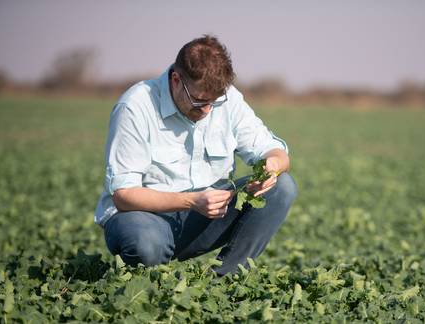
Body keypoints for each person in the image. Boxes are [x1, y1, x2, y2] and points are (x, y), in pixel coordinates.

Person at [94, 35, 298, 275]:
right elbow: (124, 195)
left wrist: (271, 166)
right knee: (144, 244)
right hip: (146, 218)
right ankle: (148, 275)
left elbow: (275, 152)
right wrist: (192, 200)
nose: (207, 110)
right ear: (176, 79)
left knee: (282, 186)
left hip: (205, 216)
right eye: (200, 101)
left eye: (215, 101)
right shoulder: (136, 106)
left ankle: (225, 278)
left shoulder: (228, 99)